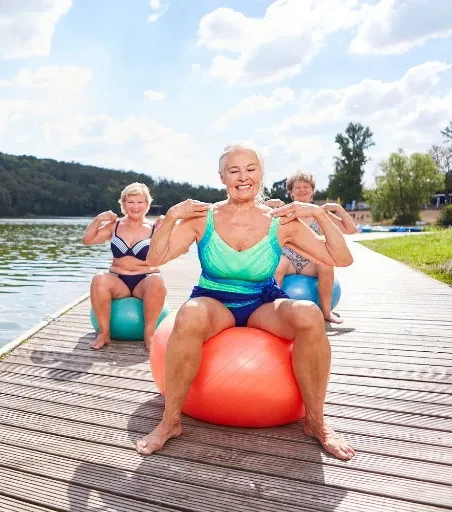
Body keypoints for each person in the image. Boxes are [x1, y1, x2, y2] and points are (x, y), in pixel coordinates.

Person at [136, 143, 356, 461]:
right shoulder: (203, 218)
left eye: (250, 169)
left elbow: (341, 258)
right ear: (222, 177)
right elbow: (154, 257)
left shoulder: (283, 220)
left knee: (309, 314)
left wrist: (318, 214)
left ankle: (316, 423)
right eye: (234, 170)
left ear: (261, 175)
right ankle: (170, 421)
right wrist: (171, 216)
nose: (243, 177)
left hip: (261, 302)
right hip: (215, 301)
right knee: (188, 315)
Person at [81, 182, 167, 351]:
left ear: (147, 204)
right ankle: (104, 333)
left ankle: (149, 335)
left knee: (156, 280)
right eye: (131, 202)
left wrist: (168, 226)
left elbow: (173, 250)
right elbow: (88, 240)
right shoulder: (115, 226)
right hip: (118, 280)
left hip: (144, 280)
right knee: (99, 278)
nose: (135, 206)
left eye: (140, 202)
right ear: (123, 204)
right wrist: (99, 219)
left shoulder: (155, 227)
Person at [266, 172, 357, 323]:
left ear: (312, 191)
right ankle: (271, 311)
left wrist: (337, 208)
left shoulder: (319, 213)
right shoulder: (284, 211)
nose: (302, 190)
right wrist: (267, 204)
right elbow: (258, 223)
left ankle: (327, 313)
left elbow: (350, 229)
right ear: (291, 192)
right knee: (278, 265)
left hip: (311, 261)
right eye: (298, 187)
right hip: (288, 259)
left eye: (306, 187)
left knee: (327, 264)